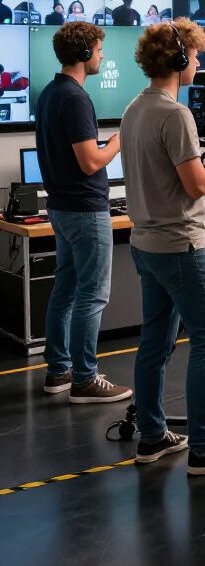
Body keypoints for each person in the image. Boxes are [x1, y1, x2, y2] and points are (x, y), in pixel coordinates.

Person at [120, 19, 205, 474]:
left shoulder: (133, 109)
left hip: (145, 242)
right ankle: (204, 445)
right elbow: (197, 183)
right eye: (195, 56)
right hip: (180, 243)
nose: (198, 64)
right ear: (179, 60)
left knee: (155, 344)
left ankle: (152, 436)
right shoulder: (174, 114)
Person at [36, 22, 132, 404]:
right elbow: (91, 162)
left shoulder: (49, 93)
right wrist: (117, 143)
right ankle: (85, 378)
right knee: (92, 295)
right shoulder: (75, 98)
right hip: (85, 210)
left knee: (66, 290)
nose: (103, 55)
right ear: (85, 53)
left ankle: (59, 370)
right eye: (100, 49)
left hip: (60, 207)